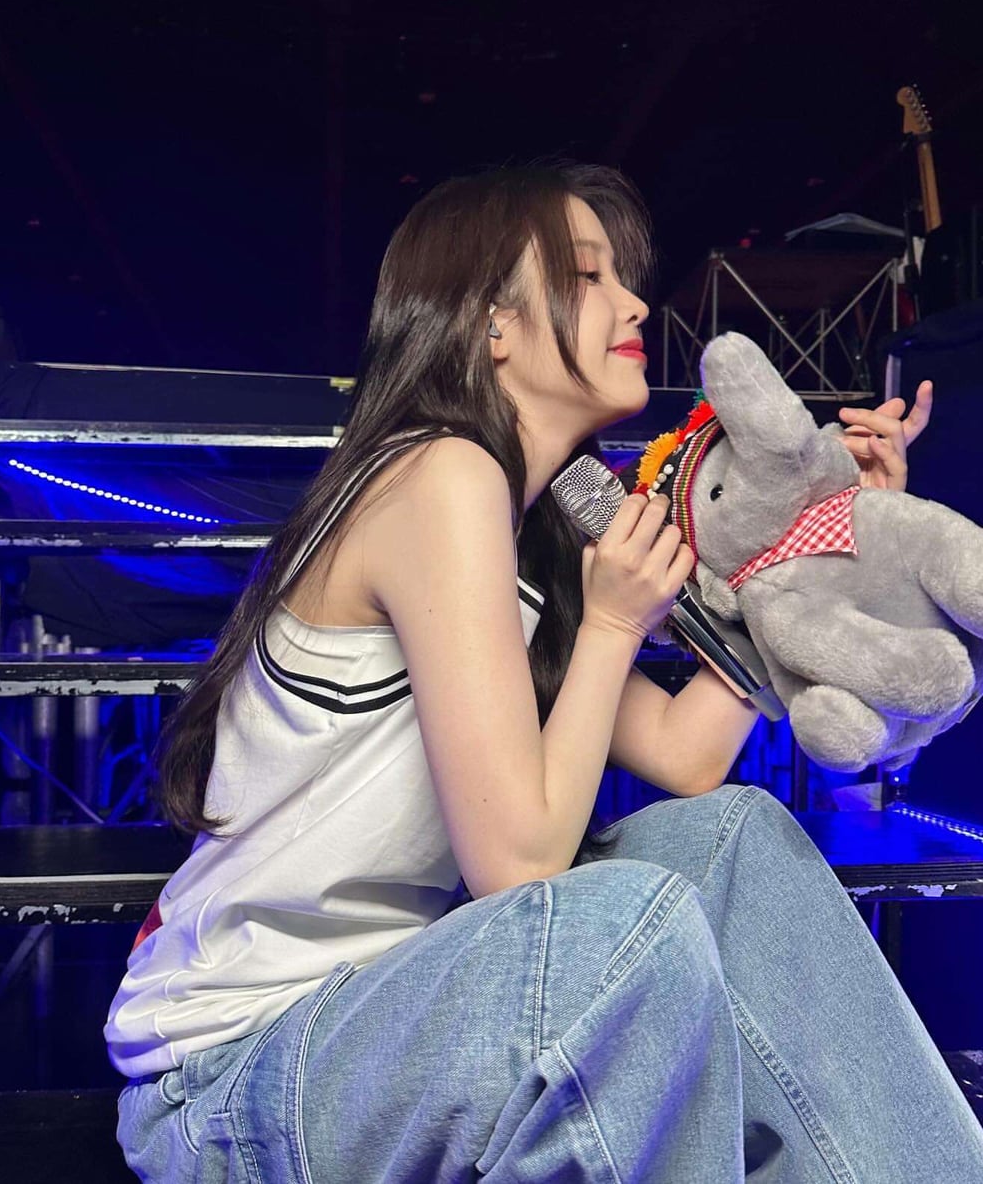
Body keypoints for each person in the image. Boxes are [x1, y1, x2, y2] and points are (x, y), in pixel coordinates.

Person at [107, 163, 980, 1183]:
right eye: (587, 276)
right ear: (492, 324)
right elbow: (518, 865)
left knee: (734, 840)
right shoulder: (437, 472)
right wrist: (611, 623)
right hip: (237, 1079)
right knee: (624, 928)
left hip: (404, 1019)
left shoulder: (543, 522)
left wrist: (806, 550)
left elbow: (687, 757)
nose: (634, 304)